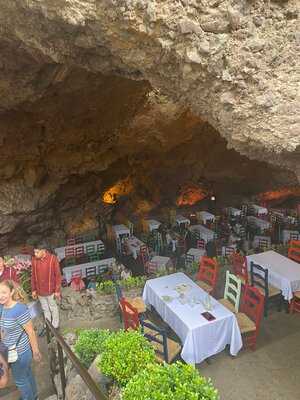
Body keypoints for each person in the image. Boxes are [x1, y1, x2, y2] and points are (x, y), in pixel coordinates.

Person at [0, 280, 41, 399]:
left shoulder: (19, 309)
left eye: (4, 292)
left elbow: (31, 331)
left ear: (12, 292)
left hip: (20, 352)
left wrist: (36, 351)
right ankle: (34, 396)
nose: (1, 295)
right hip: (10, 350)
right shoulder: (3, 307)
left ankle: (29, 398)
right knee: (27, 374)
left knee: (20, 380)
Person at [31, 245, 62, 333]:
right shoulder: (34, 260)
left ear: (43, 251)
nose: (35, 254)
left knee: (53, 307)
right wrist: (33, 289)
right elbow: (33, 275)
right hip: (40, 291)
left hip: (51, 290)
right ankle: (48, 326)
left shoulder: (53, 259)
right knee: (45, 309)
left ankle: (55, 326)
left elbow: (58, 276)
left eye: (37, 252)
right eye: (34, 252)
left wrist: (57, 290)